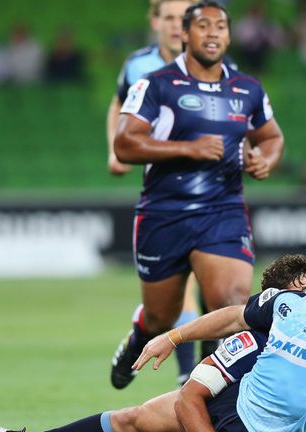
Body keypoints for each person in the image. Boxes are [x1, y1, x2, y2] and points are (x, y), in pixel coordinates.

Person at [0, 251, 306, 432]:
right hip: (258, 413)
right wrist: (172, 335)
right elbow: (193, 393)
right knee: (134, 418)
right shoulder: (253, 340)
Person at [110, 0, 284, 391]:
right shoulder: (155, 84)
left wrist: (265, 159)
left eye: (220, 27)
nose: (212, 34)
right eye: (202, 26)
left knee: (233, 302)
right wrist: (187, 148)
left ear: (229, 35)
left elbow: (271, 136)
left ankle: (207, 390)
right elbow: (124, 144)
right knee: (161, 316)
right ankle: (140, 334)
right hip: (164, 213)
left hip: (222, 210)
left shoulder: (247, 88)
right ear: (185, 35)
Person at [133, 220, 306, 432]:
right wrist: (172, 337)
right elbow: (234, 316)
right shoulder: (285, 302)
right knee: (136, 419)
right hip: (232, 412)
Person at [106, 0, 202, 389]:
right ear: (155, 22)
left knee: (211, 289)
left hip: (211, 190)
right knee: (174, 297)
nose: (178, 26)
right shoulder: (139, 66)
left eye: (186, 18)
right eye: (169, 18)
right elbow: (118, 104)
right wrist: (115, 148)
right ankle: (144, 335)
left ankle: (189, 378)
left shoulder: (215, 63)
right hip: (163, 190)